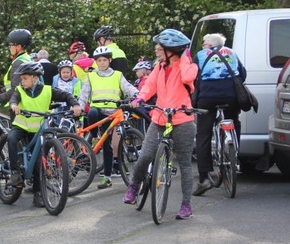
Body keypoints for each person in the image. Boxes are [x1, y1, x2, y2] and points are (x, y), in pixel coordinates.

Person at [126, 29, 198, 220]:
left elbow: (187, 79)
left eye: (161, 48)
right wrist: (140, 98)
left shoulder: (188, 66)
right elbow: (149, 86)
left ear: (172, 50)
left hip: (182, 120)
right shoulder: (159, 67)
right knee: (145, 156)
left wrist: (183, 57)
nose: (157, 51)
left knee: (184, 164)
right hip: (159, 118)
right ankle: (134, 186)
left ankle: (186, 205)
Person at [5, 61, 81, 206]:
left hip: (39, 129)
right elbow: (13, 100)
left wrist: (75, 105)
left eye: (25, 78)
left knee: (39, 161)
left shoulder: (48, 90)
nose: (22, 81)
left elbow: (66, 96)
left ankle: (38, 193)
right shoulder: (20, 90)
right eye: (22, 79)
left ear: (35, 78)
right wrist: (14, 106)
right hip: (22, 125)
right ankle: (14, 173)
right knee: (11, 138)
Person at [192, 33, 246, 196]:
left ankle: (204, 178)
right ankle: (234, 152)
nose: (202, 46)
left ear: (209, 44)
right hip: (231, 96)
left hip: (207, 98)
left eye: (204, 43)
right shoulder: (231, 53)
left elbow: (193, 76)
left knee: (203, 134)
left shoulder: (200, 55)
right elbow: (242, 75)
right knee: (233, 119)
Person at [77, 45, 138, 189]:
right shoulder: (91, 76)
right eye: (99, 61)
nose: (102, 63)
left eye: (104, 60)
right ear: (96, 62)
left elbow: (128, 87)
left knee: (107, 145)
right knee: (91, 113)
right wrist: (79, 106)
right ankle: (94, 136)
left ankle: (107, 177)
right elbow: (84, 94)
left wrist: (137, 94)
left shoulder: (117, 75)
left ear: (109, 60)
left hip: (111, 113)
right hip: (97, 110)